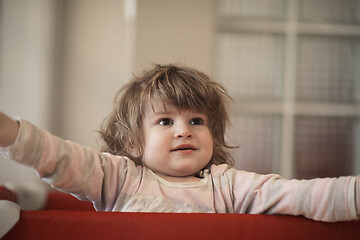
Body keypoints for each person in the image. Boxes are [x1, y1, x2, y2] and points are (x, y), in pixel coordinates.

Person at [0, 64, 359, 222]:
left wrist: (352, 194)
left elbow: (300, 195)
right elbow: (62, 159)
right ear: (133, 141)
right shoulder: (119, 178)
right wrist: (10, 133)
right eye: (165, 121)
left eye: (197, 121)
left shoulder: (227, 186)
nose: (183, 130)